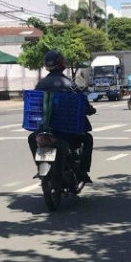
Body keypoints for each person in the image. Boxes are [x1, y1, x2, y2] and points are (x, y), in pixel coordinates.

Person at [28, 50, 96, 183]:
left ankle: (40, 166)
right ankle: (82, 171)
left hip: (45, 127)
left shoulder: (40, 84)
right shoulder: (69, 84)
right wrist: (89, 109)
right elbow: (82, 101)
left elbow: (35, 104)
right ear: (61, 63)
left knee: (32, 138)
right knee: (88, 139)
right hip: (67, 128)